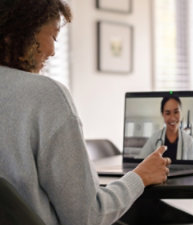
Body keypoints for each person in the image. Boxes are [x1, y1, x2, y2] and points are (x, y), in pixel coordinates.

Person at [0, 1, 171, 224]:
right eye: (52, 36)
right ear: (21, 31)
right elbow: (88, 216)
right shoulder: (46, 95)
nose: (52, 51)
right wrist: (140, 176)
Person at [139, 96, 193, 160]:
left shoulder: (188, 140)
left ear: (180, 112)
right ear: (162, 115)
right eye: (168, 113)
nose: (172, 118)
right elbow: (139, 160)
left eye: (176, 112)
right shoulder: (154, 138)